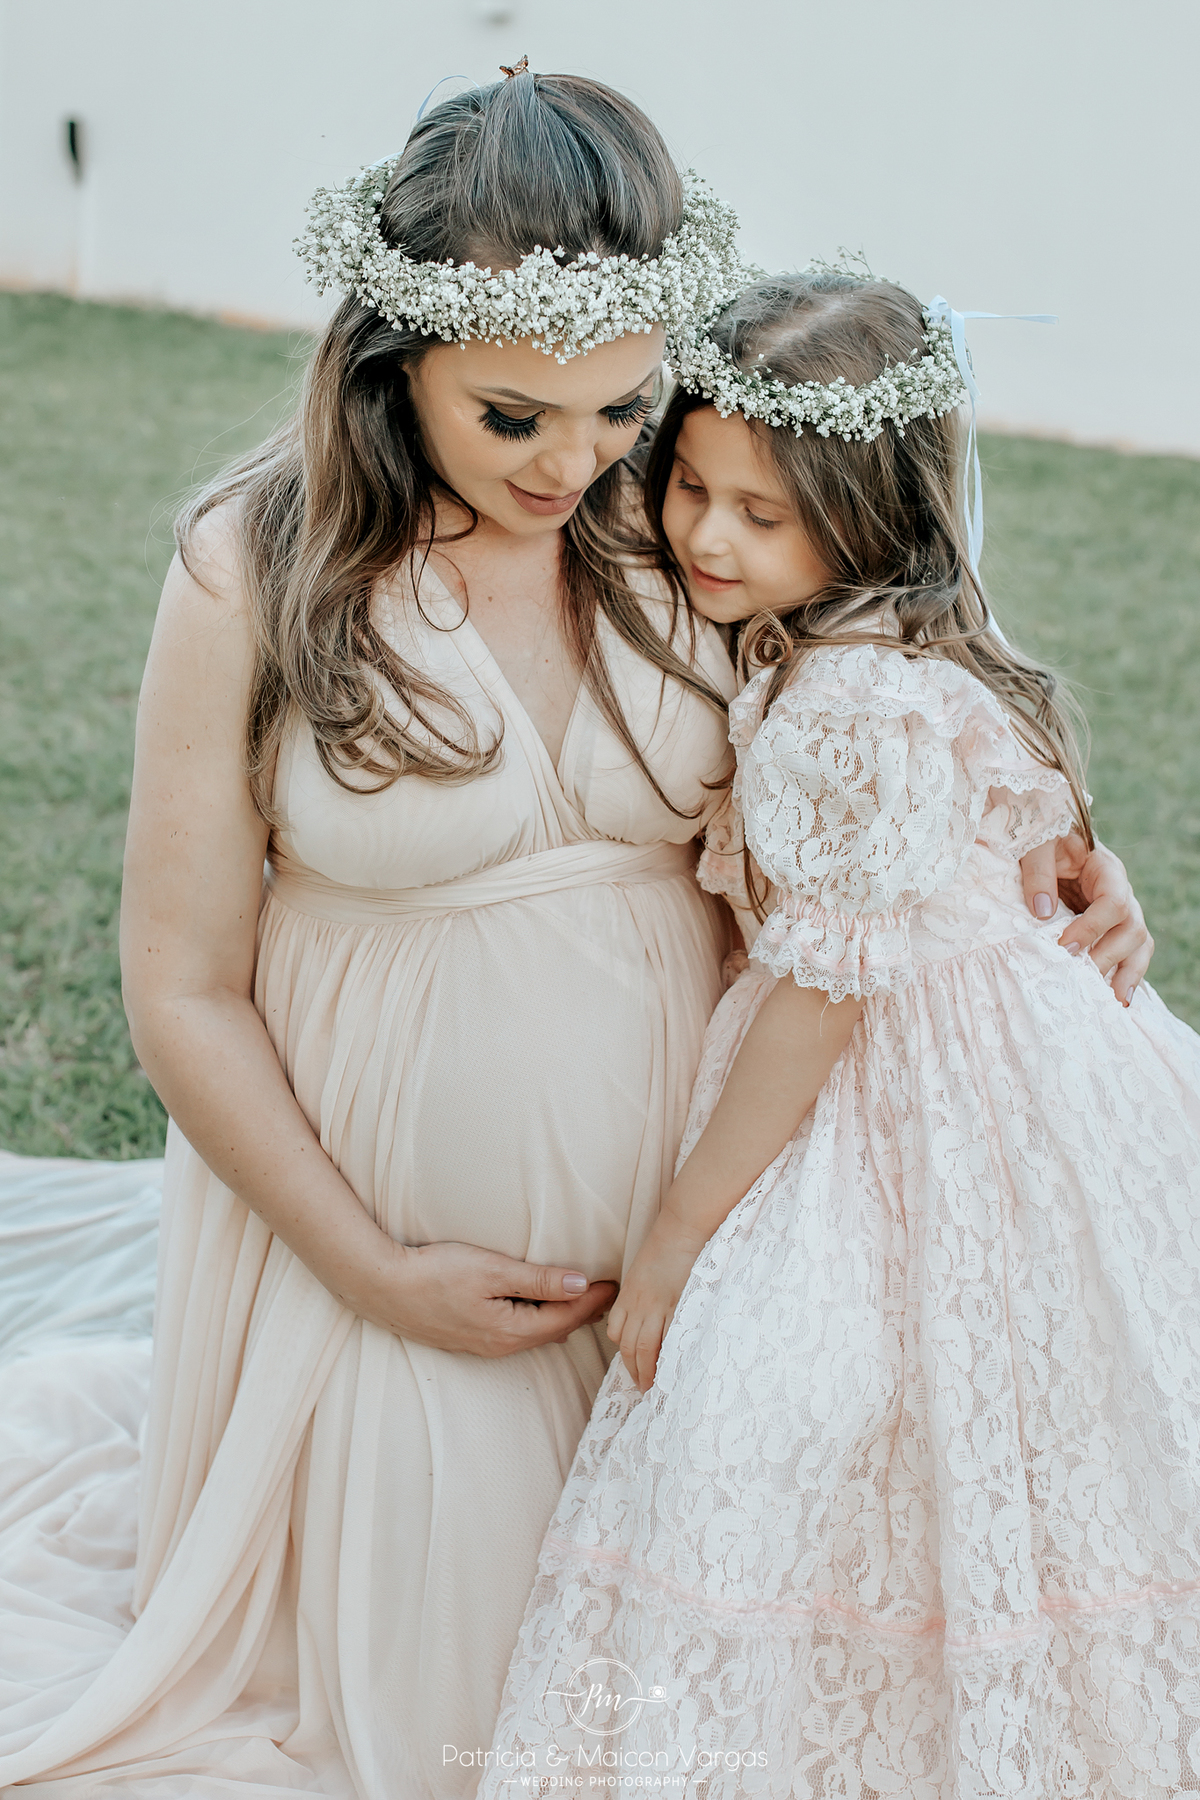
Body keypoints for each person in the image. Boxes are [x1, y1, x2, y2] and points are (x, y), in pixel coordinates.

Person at [0, 80, 1149, 1799]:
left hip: (718, 1256)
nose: (571, 462)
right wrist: (368, 1266)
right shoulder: (259, 568)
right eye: (511, 416)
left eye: (619, 403)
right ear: (394, 356)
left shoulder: (677, 510)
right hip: (392, 1276)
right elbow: (180, 988)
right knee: (474, 1726)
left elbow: (893, 710)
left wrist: (1060, 854)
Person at [479, 271, 1200, 1797]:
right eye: (691, 486)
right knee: (992, 1410)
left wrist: (681, 1229)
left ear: (870, 518)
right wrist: (1080, 856)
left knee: (822, 1386)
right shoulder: (894, 637)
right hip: (1017, 1055)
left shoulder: (844, 704)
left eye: (765, 514)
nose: (708, 536)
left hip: (919, 1084)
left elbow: (819, 999)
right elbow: (1009, 816)